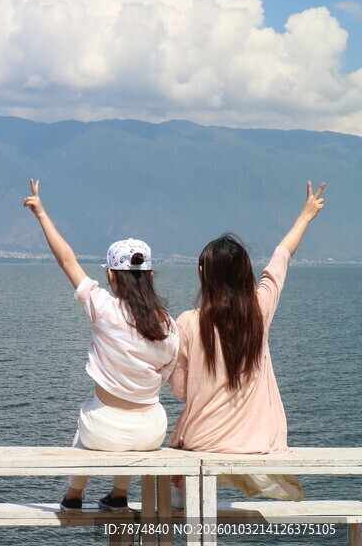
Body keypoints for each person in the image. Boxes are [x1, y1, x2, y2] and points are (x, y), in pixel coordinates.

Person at [23, 179, 179, 512]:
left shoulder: (104, 309)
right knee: (115, 423)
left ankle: (73, 496)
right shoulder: (168, 324)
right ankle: (119, 494)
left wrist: (41, 213)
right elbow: (167, 373)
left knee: (89, 422)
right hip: (152, 431)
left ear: (111, 276)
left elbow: (67, 260)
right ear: (151, 275)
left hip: (102, 430)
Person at [168, 181, 326, 501]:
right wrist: (305, 217)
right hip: (255, 441)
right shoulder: (259, 311)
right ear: (244, 273)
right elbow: (280, 259)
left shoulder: (187, 322)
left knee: (173, 489)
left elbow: (181, 390)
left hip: (202, 441)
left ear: (203, 272)